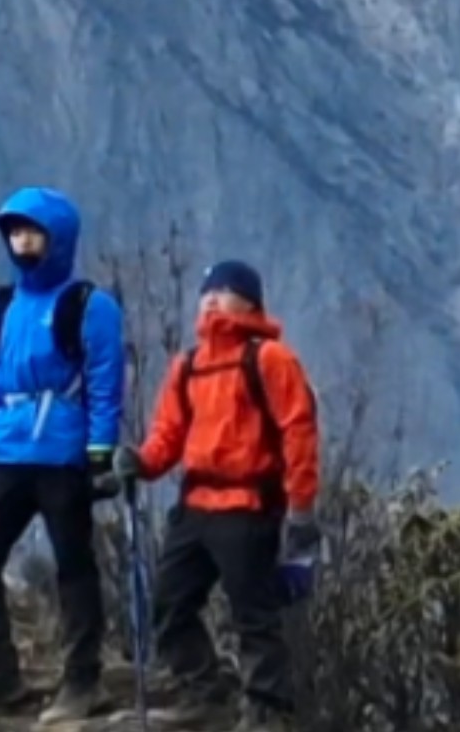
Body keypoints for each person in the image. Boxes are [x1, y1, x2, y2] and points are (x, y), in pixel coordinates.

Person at [113, 260, 322, 732]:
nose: (211, 298)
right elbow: (168, 433)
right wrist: (141, 462)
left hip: (248, 509)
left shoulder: (269, 358)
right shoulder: (188, 366)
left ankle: (268, 712)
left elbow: (299, 433)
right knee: (169, 604)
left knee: (253, 615)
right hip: (195, 508)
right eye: (208, 290)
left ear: (250, 302)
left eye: (225, 290)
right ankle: (206, 693)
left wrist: (301, 507)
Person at [0, 186, 125, 720]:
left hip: (62, 453)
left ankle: (83, 681)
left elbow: (104, 379)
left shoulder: (90, 305)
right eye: (15, 232)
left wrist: (99, 451)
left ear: (57, 238)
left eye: (32, 231)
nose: (22, 242)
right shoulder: (3, 305)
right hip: (6, 452)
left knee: (73, 565)